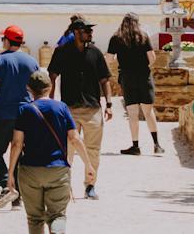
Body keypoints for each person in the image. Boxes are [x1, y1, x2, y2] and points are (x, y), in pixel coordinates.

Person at [7, 68, 79, 234]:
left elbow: (17, 144)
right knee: (58, 215)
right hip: (58, 170)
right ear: (50, 87)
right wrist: (89, 165)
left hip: (30, 171)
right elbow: (74, 138)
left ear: (29, 89)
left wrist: (10, 173)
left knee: (35, 218)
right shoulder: (62, 107)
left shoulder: (24, 110)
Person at [47, 17, 112, 199]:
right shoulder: (62, 52)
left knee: (93, 150)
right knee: (67, 150)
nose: (91, 34)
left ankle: (90, 185)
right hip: (69, 110)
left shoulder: (96, 53)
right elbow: (52, 76)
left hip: (93, 110)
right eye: (87, 31)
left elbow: (105, 80)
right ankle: (64, 186)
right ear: (76, 32)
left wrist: (109, 104)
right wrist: (51, 102)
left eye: (91, 31)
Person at [0, 24, 39, 209]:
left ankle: (5, 185)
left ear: (7, 40)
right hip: (27, 115)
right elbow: (36, 90)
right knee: (18, 154)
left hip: (4, 114)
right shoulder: (32, 61)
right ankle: (17, 198)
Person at [109, 13, 162, 155]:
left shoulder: (116, 38)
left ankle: (135, 146)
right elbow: (152, 58)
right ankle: (156, 145)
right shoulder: (143, 36)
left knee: (132, 113)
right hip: (144, 76)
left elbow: (110, 59)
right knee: (148, 111)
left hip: (127, 77)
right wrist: (143, 66)